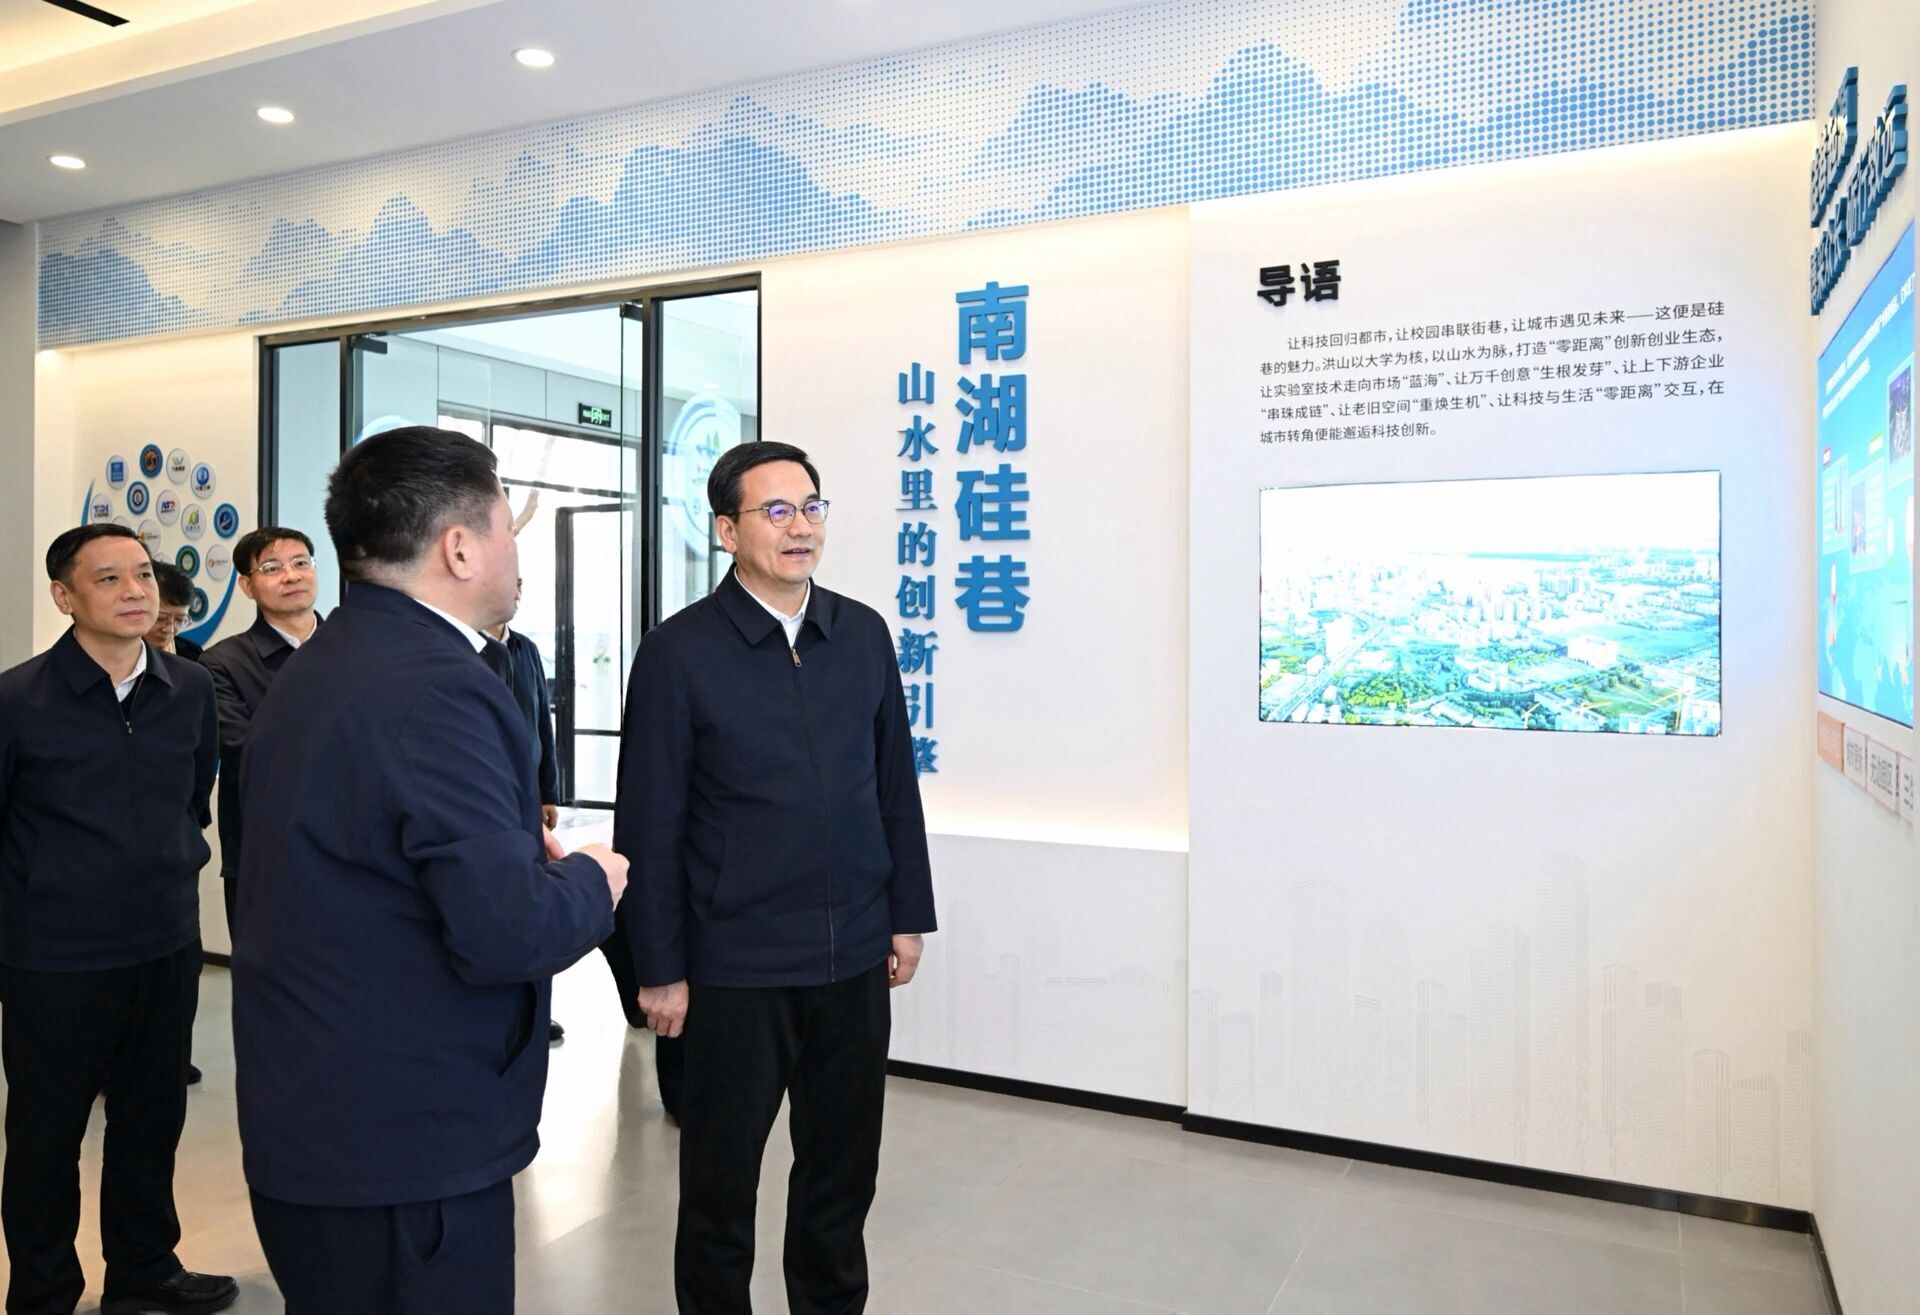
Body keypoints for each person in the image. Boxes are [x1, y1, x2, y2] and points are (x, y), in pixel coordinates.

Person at [233, 426, 629, 1315]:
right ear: (459, 547)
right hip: (406, 1142)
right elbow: (507, 929)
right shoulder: (441, 685)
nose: (514, 553)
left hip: (315, 1112)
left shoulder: (323, 664)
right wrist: (593, 879)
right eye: (506, 529)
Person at [614, 440, 936, 1314]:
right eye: (778, 511)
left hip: (853, 957)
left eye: (812, 507)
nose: (802, 528)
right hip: (735, 967)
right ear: (727, 530)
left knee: (842, 1176)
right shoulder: (679, 652)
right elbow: (650, 823)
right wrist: (659, 965)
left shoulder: (861, 634)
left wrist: (905, 913)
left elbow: (893, 787)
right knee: (720, 1190)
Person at [0, 524, 237, 1315]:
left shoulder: (189, 687)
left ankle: (144, 1269)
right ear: (64, 596)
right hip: (54, 956)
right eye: (108, 578)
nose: (136, 590)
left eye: (142, 573)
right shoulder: (17, 699)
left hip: (165, 943)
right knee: (46, 1134)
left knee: (151, 1117)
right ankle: (42, 1290)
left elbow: (192, 799)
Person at [199, 528, 322, 938]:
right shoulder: (221, 663)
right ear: (247, 586)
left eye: (301, 563)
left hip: (359, 849)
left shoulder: (358, 648)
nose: (291, 575)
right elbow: (247, 749)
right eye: (272, 568)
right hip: (264, 853)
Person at [483, 579, 568, 1043]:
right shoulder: (464, 649)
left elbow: (542, 723)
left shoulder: (526, 650)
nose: (514, 592)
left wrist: (548, 790)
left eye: (519, 584)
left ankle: (538, 1010)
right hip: (486, 801)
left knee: (536, 904)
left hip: (528, 800)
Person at [146, 561, 202, 661]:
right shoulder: (119, 654)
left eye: (180, 620)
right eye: (161, 618)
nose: (170, 630)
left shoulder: (192, 654)